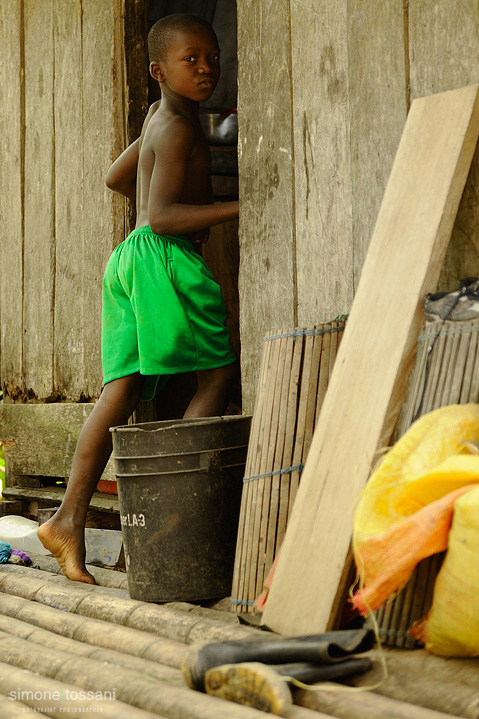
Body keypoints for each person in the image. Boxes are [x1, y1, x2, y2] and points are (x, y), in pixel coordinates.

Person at [38, 14, 239, 584]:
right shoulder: (179, 128)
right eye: (191, 60)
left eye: (212, 57)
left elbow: (117, 177)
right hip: (167, 262)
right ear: (158, 70)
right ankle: (177, 513)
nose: (206, 68)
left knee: (121, 388)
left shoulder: (159, 115)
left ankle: (67, 519)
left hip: (130, 258)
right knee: (216, 377)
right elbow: (164, 215)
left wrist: (156, 214)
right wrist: (234, 208)